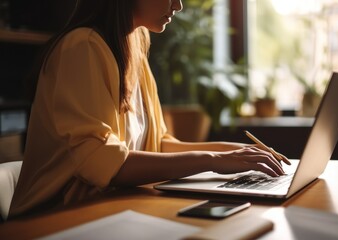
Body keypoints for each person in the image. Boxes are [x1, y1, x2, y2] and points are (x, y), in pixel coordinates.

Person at [9, 0, 287, 219]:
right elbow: (100, 163)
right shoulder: (82, 47)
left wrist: (235, 153)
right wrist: (212, 159)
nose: (177, 5)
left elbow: (159, 146)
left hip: (107, 210)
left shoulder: (135, 43)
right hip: (54, 219)